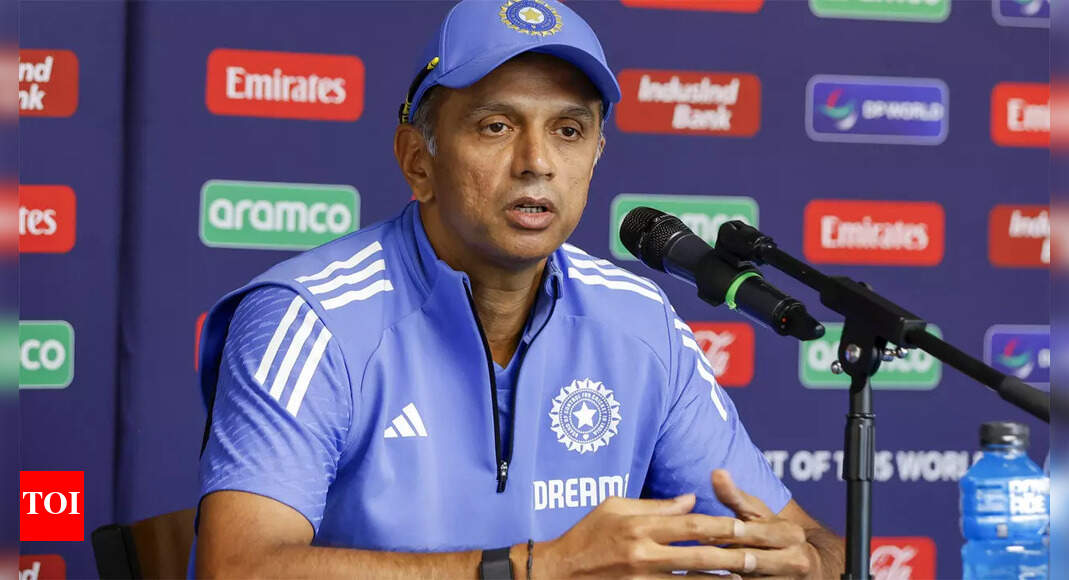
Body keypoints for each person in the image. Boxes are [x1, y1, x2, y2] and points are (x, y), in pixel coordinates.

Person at [193, 0, 845, 577]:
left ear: (595, 155)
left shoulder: (637, 320)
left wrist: (800, 565)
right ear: (418, 161)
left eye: (568, 130)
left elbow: (815, 544)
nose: (537, 162)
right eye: (496, 126)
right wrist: (537, 569)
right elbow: (239, 567)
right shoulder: (310, 318)